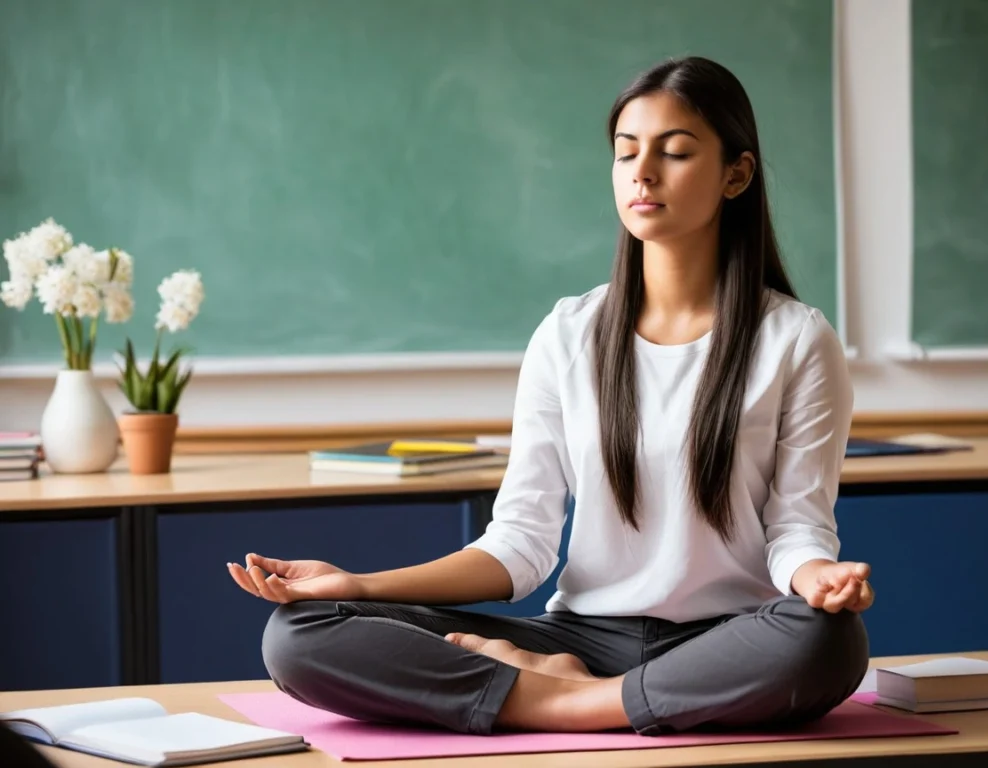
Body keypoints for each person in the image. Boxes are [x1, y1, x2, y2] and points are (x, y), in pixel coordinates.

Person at [227, 55, 873, 737]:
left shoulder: (796, 339)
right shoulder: (569, 332)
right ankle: (602, 694)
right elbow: (520, 546)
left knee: (826, 640)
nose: (643, 173)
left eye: (676, 152)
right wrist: (357, 585)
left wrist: (817, 581)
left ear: (736, 174)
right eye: (626, 154)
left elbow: (797, 529)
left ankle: (561, 701)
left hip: (728, 642)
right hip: (582, 635)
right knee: (298, 636)